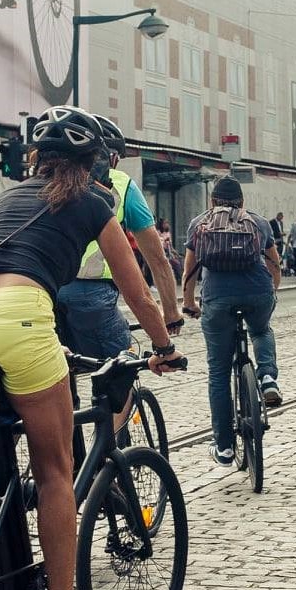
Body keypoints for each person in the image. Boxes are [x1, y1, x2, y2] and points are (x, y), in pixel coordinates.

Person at [0, 106, 182, 590]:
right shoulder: (95, 201)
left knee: (5, 421)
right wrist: (163, 347)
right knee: (53, 471)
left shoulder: (6, 198)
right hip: (19, 321)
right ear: (95, 162)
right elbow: (135, 290)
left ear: (36, 158)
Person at [56, 115, 183, 430]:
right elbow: (156, 257)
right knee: (121, 371)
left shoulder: (47, 182)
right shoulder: (121, 185)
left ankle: (64, 456)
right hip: (92, 295)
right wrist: (170, 312)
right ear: (110, 156)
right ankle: (105, 462)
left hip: (43, 294)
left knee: (57, 376)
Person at [181, 176, 282, 464]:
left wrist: (188, 302)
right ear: (242, 201)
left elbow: (190, 269)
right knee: (261, 330)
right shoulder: (258, 222)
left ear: (212, 201)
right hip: (257, 293)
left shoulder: (199, 222)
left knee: (218, 372)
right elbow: (274, 263)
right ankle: (267, 377)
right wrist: (271, 291)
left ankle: (224, 447)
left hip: (217, 299)